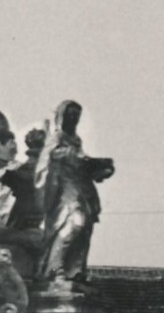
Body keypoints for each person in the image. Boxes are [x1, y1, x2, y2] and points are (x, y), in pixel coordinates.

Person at [34, 100, 115, 282]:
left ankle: (75, 269)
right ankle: (54, 267)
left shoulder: (76, 140)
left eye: (77, 115)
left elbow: (80, 161)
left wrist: (99, 166)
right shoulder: (56, 138)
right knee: (75, 223)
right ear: (61, 116)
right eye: (70, 114)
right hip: (63, 190)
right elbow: (57, 158)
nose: (74, 118)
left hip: (81, 189)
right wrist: (88, 161)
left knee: (85, 228)